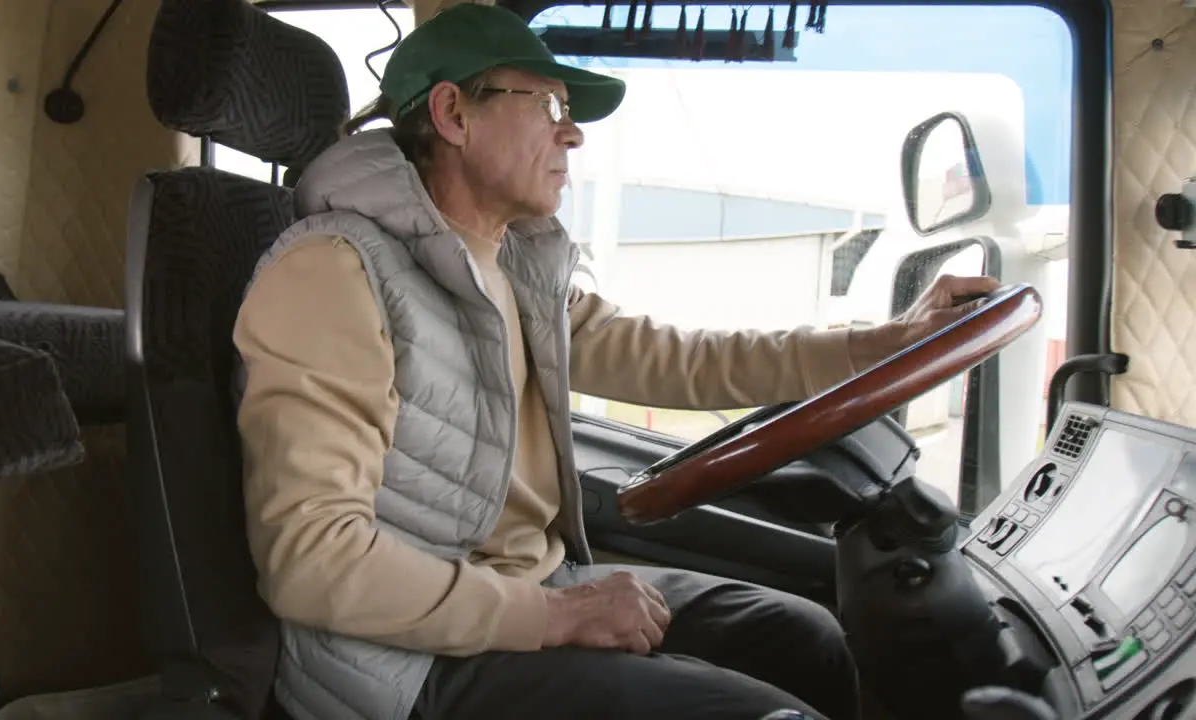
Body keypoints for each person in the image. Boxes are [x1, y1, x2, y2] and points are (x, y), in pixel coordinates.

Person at [231, 4, 1000, 720]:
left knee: (807, 636)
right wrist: (557, 616)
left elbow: (687, 362)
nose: (574, 135)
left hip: (532, 586)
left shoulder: (514, 269)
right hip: (400, 665)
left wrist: (888, 342)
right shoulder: (333, 274)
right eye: (550, 107)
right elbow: (312, 560)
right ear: (452, 114)